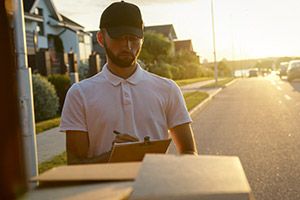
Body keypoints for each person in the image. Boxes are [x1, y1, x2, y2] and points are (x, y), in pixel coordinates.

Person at [60, 1, 198, 165]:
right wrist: (114, 156)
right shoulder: (80, 94)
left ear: (142, 39)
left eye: (134, 38)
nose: (127, 46)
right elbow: (74, 164)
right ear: (101, 38)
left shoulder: (168, 89)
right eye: (119, 37)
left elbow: (189, 152)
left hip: (155, 187)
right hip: (101, 191)